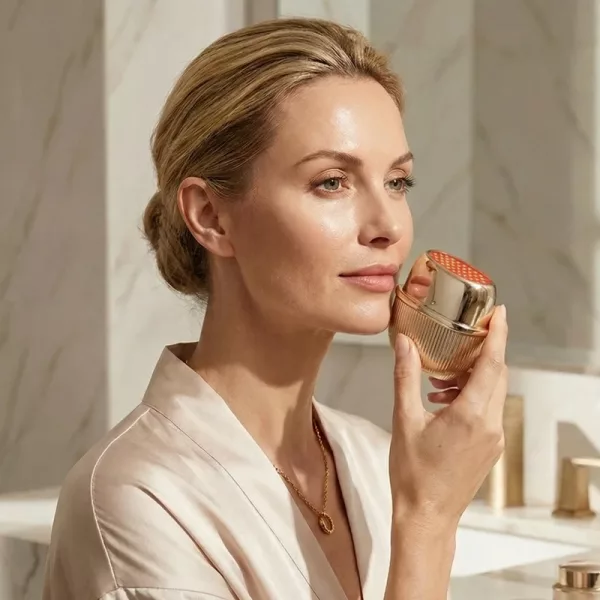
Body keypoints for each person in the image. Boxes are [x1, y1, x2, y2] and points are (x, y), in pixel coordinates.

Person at [42, 17, 508, 600]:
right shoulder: (138, 498)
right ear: (211, 216)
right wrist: (428, 521)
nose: (388, 225)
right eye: (332, 182)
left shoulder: (375, 461)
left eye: (397, 182)